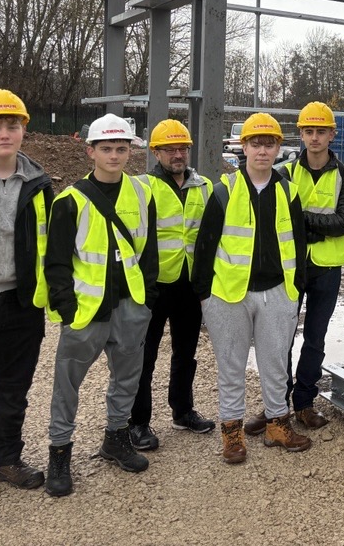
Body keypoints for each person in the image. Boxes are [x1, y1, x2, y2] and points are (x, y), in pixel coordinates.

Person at [44, 114, 159, 497]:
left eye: (121, 148)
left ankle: (116, 437)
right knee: (67, 384)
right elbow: (56, 262)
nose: (114, 155)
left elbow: (150, 251)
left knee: (127, 377)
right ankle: (59, 452)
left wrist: (147, 299)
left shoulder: (142, 194)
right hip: (87, 309)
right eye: (106, 148)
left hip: (131, 304)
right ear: (91, 151)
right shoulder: (70, 201)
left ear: (130, 151)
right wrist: (67, 307)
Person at [193, 112, 310, 463]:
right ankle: (232, 432)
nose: (262, 151)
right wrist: (204, 294)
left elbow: (299, 244)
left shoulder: (288, 191)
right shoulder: (224, 190)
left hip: (277, 290)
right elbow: (205, 245)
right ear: (243, 147)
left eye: (269, 144)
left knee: (275, 363)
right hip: (229, 294)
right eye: (255, 144)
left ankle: (277, 424)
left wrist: (296, 289)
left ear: (278, 148)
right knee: (231, 365)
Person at [243, 102, 344, 436]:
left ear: (332, 134)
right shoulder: (285, 173)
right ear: (301, 134)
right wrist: (316, 224)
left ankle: (305, 403)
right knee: (279, 337)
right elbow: (277, 219)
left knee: (315, 337)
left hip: (327, 267)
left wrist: (302, 221)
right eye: (308, 131)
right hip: (290, 267)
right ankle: (276, 406)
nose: (314, 137)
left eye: (321, 131)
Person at [0, 90, 53, 489]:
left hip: (20, 305)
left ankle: (4, 460)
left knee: (10, 392)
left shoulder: (39, 184)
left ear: (24, 129)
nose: (4, 133)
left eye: (12, 125)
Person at [127, 120, 215, 452]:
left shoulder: (203, 186)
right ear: (156, 152)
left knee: (185, 353)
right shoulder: (141, 187)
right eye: (170, 149)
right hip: (154, 286)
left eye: (182, 148)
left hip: (189, 285)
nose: (178, 154)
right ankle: (138, 423)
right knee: (144, 358)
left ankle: (183, 410)